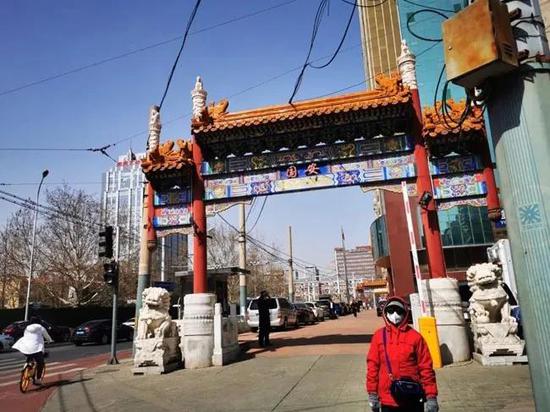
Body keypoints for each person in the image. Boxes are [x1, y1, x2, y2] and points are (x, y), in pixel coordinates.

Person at [366, 297, 439, 412]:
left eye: (398, 311)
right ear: (385, 313)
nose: (394, 314)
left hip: (412, 396)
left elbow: (426, 368)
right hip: (387, 398)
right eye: (391, 310)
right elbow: (372, 367)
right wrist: (372, 393)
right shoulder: (378, 336)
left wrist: (431, 396)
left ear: (405, 313)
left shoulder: (415, 337)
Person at [12, 316, 53, 386]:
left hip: (24, 347)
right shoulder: (40, 327)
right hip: (36, 348)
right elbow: (46, 336)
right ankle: (38, 380)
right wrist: (50, 340)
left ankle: (26, 365)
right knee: (40, 363)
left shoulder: (27, 328)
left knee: (29, 354)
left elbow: (25, 336)